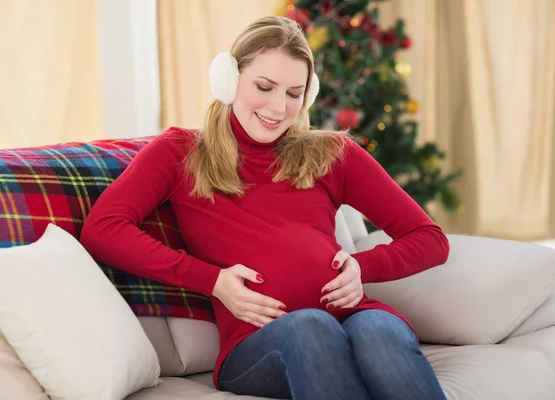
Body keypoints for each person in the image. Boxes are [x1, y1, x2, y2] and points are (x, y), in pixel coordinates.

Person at [80, 15, 449, 400]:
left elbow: (431, 239)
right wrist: (213, 280)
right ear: (229, 79)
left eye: (294, 93)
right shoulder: (179, 152)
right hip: (257, 345)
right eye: (265, 87)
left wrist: (364, 265)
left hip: (356, 315)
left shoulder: (334, 154)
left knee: (380, 333)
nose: (279, 107)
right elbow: (103, 228)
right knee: (311, 327)